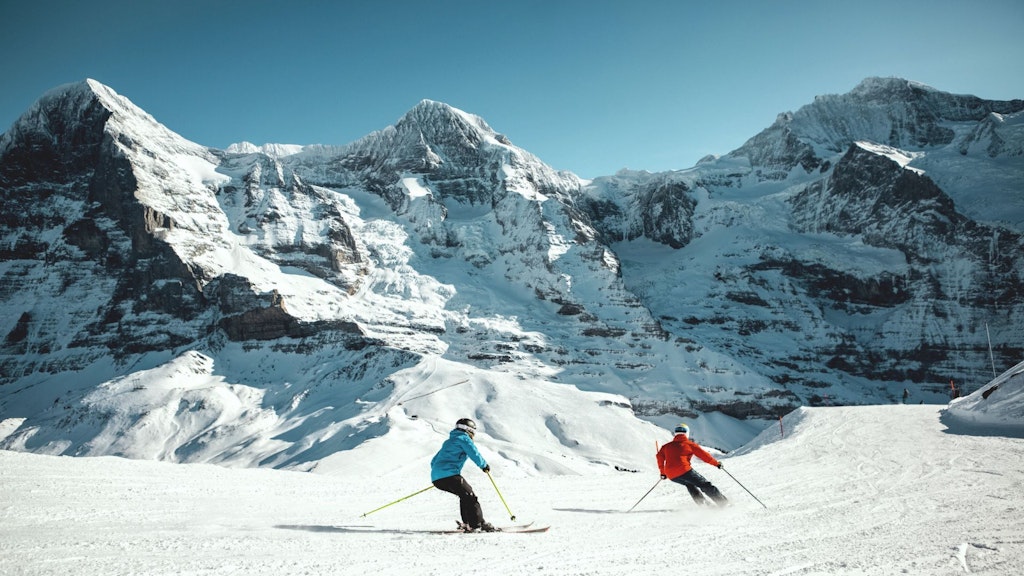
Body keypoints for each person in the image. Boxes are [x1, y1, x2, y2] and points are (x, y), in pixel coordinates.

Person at [430, 418, 498, 532]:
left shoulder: (449, 441)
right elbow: (474, 453)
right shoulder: (463, 439)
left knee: (465, 496)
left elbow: (433, 461)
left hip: (437, 478)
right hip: (450, 475)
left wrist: (440, 474)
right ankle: (477, 525)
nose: (473, 434)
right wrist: (484, 465)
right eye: (473, 431)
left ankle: (467, 523)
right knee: (470, 497)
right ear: (468, 430)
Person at [656, 423, 728, 507]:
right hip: (684, 470)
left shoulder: (666, 446)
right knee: (705, 485)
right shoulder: (689, 444)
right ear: (687, 433)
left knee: (690, 484)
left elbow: (659, 457)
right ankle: (723, 503)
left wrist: (663, 473)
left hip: (671, 475)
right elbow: (704, 456)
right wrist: (716, 464)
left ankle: (703, 504)